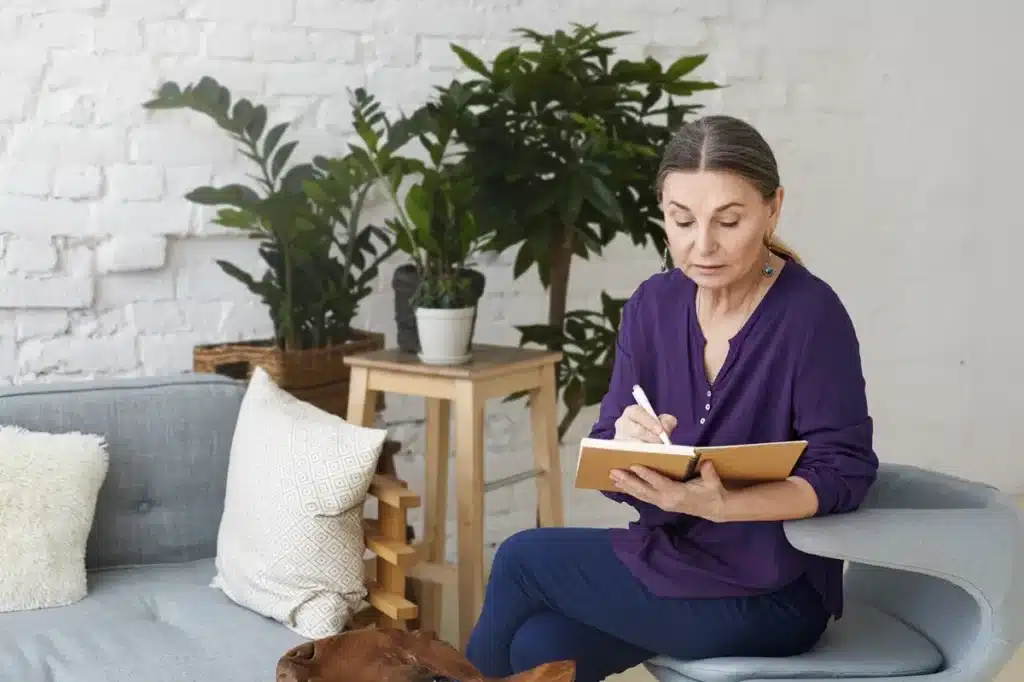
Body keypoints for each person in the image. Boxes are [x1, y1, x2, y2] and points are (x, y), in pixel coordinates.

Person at [464, 114, 880, 682]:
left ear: (773, 209)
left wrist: (722, 505)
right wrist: (625, 444)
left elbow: (845, 472)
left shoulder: (811, 316)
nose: (702, 245)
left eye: (728, 221)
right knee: (541, 647)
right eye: (682, 220)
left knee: (521, 557)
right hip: (674, 558)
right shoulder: (651, 306)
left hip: (776, 592)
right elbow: (611, 457)